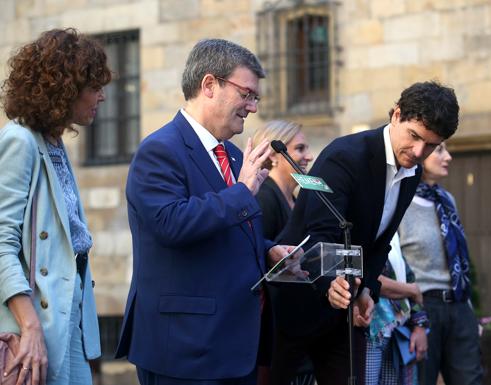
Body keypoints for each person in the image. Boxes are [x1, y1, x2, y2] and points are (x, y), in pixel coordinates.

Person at [115, 39, 292, 385]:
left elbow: (233, 231)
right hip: (184, 348)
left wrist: (268, 250)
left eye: (255, 97)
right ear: (210, 85)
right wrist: (242, 192)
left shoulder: (235, 155)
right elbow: (172, 224)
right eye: (246, 94)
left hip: (234, 347)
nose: (252, 107)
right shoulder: (159, 150)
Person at [271, 81, 460, 385]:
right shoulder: (344, 155)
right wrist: (332, 283)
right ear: (396, 115)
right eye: (414, 137)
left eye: (431, 146)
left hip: (345, 313)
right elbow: (322, 232)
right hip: (298, 302)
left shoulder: (411, 173)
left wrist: (368, 290)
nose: (418, 152)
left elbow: (380, 242)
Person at [0, 28, 111, 385]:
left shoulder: (53, 141)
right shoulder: (20, 140)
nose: (103, 97)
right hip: (36, 315)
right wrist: (29, 325)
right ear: (66, 88)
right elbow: (1, 240)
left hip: (69, 305)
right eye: (94, 87)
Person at [399, 143, 483, 385]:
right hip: (424, 308)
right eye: (439, 150)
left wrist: (469, 313)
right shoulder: (401, 202)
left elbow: (457, 259)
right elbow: (396, 265)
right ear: (420, 156)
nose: (448, 157)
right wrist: (417, 318)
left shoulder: (447, 200)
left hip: (459, 307)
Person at [251, 120, 314, 385]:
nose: (308, 156)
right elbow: (256, 255)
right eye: (299, 148)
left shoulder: (298, 198)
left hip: (295, 326)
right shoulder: (265, 196)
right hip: (272, 332)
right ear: (275, 156)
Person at [366, 233, 428, 385]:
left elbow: (408, 277)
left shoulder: (392, 232)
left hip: (397, 332)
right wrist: (411, 290)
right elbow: (369, 277)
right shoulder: (363, 225)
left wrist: (420, 325)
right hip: (369, 333)